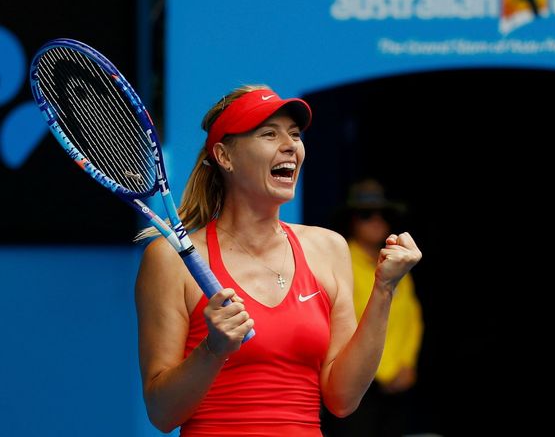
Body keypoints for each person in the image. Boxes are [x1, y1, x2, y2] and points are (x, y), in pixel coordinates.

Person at [134, 84, 422, 436]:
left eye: (295, 134)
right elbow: (162, 413)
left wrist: (384, 289)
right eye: (269, 134)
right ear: (225, 157)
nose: (290, 145)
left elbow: (343, 398)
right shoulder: (168, 260)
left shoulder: (328, 248)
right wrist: (213, 349)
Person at [322, 179, 424, 437]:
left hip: (398, 386)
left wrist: (407, 364)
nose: (377, 220)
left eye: (384, 214)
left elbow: (412, 320)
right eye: (367, 214)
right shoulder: (340, 262)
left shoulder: (399, 263)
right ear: (352, 220)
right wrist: (380, 371)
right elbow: (339, 324)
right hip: (356, 386)